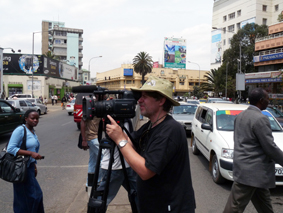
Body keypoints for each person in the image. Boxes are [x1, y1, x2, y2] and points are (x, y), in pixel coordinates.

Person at [106, 76, 196, 212]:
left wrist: (119, 140)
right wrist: (114, 115)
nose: (139, 100)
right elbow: (132, 143)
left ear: (161, 100)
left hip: (171, 208)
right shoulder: (151, 125)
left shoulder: (170, 130)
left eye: (145, 96)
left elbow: (145, 171)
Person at [223, 88, 283, 213]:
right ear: (261, 101)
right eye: (267, 99)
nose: (269, 101)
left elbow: (239, 141)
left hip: (252, 173)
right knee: (234, 208)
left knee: (265, 207)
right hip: (251, 173)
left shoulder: (240, 116)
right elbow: (270, 147)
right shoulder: (260, 119)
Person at [7, 109, 45, 213]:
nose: (35, 120)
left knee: (27, 197)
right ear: (26, 119)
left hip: (29, 167)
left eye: (37, 118)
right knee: (32, 196)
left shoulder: (32, 131)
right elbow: (10, 148)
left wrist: (34, 165)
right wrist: (31, 154)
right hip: (21, 169)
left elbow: (32, 148)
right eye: (32, 118)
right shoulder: (20, 130)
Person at [80, 96, 101, 188]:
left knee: (93, 161)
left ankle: (90, 183)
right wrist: (84, 140)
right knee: (104, 158)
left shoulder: (101, 106)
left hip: (95, 137)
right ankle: (98, 180)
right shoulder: (90, 105)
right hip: (91, 138)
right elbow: (83, 122)